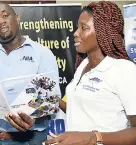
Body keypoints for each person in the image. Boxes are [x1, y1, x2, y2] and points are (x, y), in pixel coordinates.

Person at [45, 1, 136, 145]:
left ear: (103, 31)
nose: (75, 33)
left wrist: (94, 138)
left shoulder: (124, 70)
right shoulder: (83, 66)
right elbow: (83, 109)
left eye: (84, 28)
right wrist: (49, 101)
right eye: (77, 27)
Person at [0, 2, 61, 145]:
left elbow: (51, 98)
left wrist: (33, 117)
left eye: (5, 15)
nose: (0, 22)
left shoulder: (42, 53)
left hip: (32, 137)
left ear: (17, 18)